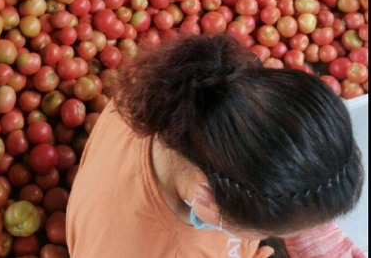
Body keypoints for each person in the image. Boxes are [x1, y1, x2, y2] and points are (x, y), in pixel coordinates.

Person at [66, 33, 365, 258]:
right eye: (271, 230)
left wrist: (311, 220)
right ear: (207, 198)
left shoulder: (193, 95)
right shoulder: (132, 248)